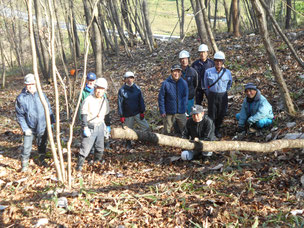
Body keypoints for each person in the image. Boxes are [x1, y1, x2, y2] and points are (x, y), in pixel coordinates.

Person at [15, 74, 55, 172]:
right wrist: (25, 128)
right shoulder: (21, 98)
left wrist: (51, 122)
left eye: (33, 84)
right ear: (25, 84)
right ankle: (24, 165)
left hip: (42, 125)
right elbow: (20, 115)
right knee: (26, 147)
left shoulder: (41, 95)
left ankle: (41, 159)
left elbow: (48, 109)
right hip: (30, 127)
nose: (31, 86)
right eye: (28, 84)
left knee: (42, 144)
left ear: (36, 84)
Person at [76, 78, 110, 171]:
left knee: (100, 147)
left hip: (100, 125)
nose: (99, 91)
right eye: (98, 88)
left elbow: (106, 115)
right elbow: (84, 114)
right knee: (85, 148)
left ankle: (96, 163)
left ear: (104, 90)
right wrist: (85, 126)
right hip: (90, 126)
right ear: (94, 88)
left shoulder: (104, 100)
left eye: (102, 89)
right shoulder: (88, 99)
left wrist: (108, 126)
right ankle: (79, 166)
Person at [204, 51, 232, 138]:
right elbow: (205, 84)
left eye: (220, 61)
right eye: (216, 61)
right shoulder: (208, 72)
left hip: (223, 95)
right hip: (212, 95)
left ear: (223, 62)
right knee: (212, 114)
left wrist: (223, 91)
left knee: (221, 113)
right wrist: (209, 94)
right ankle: (211, 131)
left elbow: (229, 84)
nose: (218, 63)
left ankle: (217, 129)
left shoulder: (227, 72)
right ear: (214, 61)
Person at [118, 71, 149, 149]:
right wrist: (121, 115)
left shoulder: (137, 88)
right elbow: (120, 104)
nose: (129, 80)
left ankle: (146, 140)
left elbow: (141, 100)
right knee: (128, 130)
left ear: (134, 79)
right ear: (124, 80)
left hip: (137, 112)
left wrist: (142, 111)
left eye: (131, 78)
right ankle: (128, 144)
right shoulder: (122, 90)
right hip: (127, 114)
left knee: (146, 127)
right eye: (127, 78)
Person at [158, 64, 188, 135]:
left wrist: (185, 108)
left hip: (181, 111)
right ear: (171, 72)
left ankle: (185, 143)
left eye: (178, 72)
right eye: (175, 71)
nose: (176, 74)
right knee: (167, 130)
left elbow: (185, 97)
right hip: (169, 112)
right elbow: (161, 98)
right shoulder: (166, 83)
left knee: (185, 130)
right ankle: (166, 144)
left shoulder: (183, 83)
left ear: (181, 73)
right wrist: (162, 111)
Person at [179, 50, 198, 115]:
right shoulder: (176, 72)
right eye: (182, 59)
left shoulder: (193, 71)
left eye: (186, 59)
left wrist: (191, 92)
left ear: (188, 59)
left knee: (190, 115)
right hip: (180, 99)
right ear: (180, 60)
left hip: (190, 97)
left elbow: (196, 84)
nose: (184, 61)